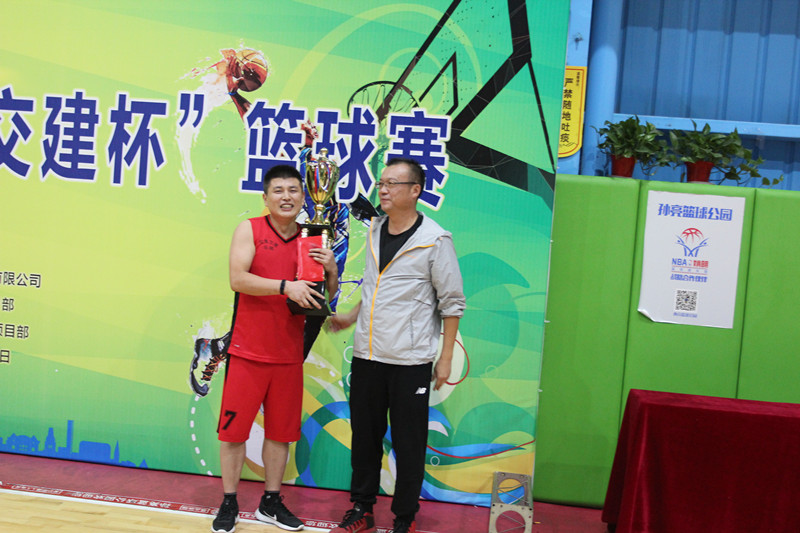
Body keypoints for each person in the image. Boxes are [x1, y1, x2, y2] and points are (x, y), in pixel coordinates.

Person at [328, 157, 465, 533]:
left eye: (392, 184)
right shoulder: (374, 228)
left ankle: (405, 518)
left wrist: (445, 357)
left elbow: (452, 303)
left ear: (415, 190)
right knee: (365, 439)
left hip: (409, 362)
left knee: (408, 443)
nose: (383, 190)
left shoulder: (435, 239)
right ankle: (362, 509)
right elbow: (376, 287)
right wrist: (351, 316)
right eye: (382, 183)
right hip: (367, 356)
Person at [212, 164, 339, 533]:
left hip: (288, 355)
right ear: (265, 198)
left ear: (303, 197)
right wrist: (285, 287)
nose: (287, 197)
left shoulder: (312, 237)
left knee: (281, 434)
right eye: (279, 190)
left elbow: (322, 297)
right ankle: (229, 502)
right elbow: (238, 278)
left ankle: (270, 501)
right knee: (233, 434)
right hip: (247, 352)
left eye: (294, 190)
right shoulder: (249, 229)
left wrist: (331, 271)